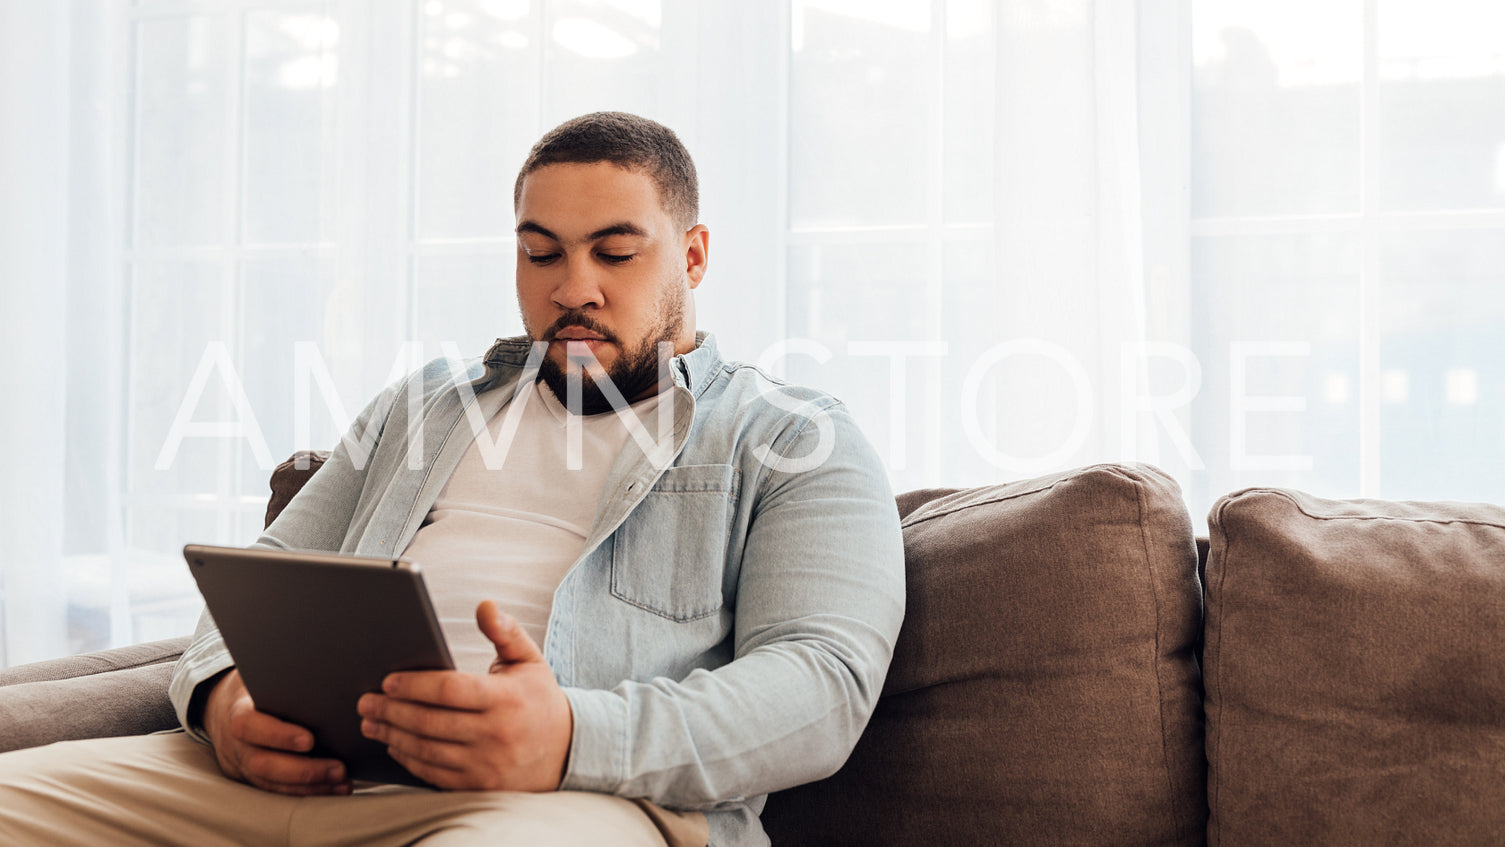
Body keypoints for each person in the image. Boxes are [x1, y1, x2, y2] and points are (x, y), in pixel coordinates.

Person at [0, 111, 905, 847]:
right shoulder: (424, 406)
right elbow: (262, 573)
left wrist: (567, 735)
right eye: (541, 252)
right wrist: (222, 695)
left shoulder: (793, 438)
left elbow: (820, 686)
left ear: (692, 256)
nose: (572, 287)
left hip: (562, 799)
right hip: (286, 776)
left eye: (614, 253)